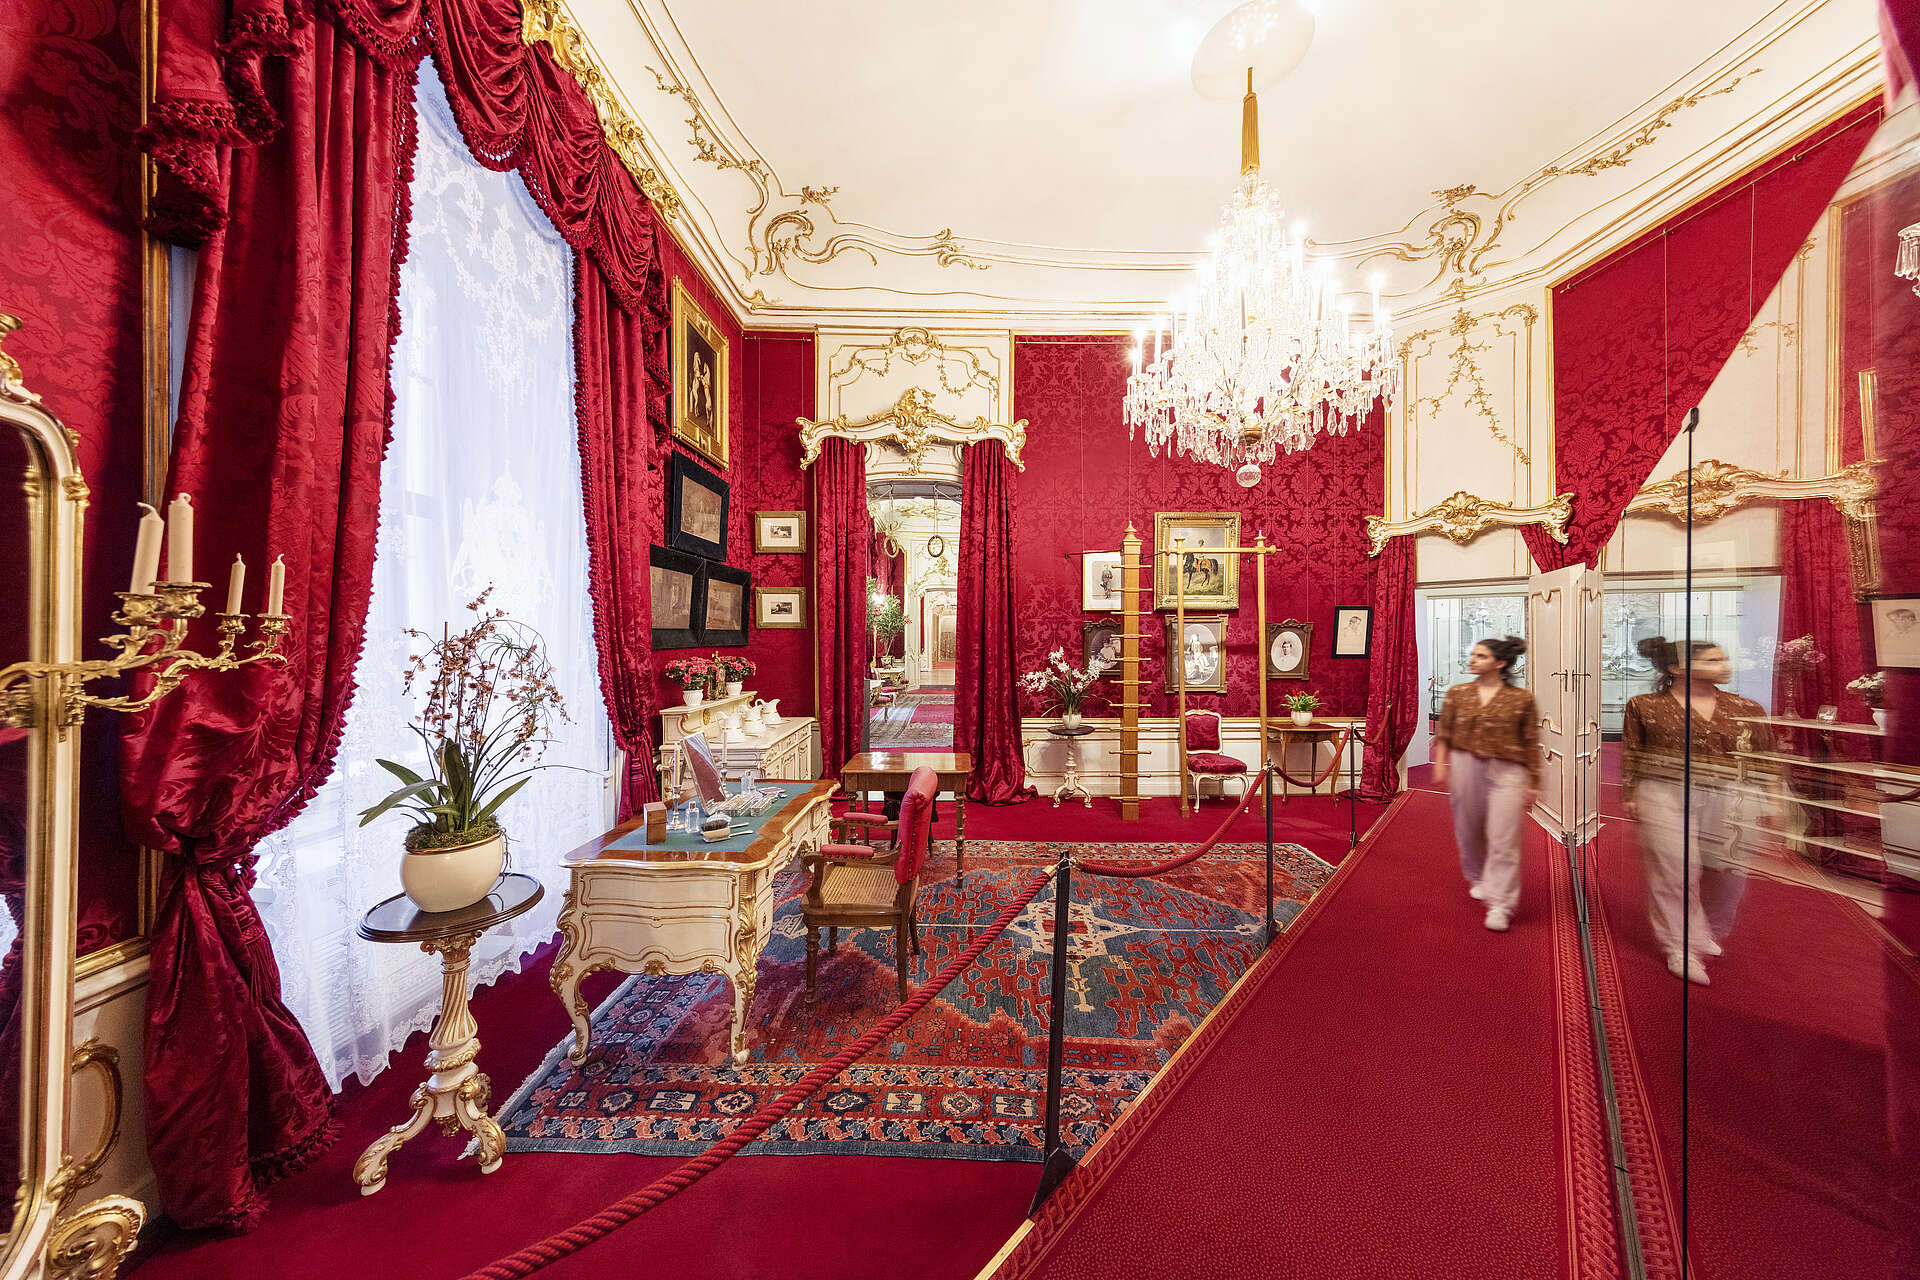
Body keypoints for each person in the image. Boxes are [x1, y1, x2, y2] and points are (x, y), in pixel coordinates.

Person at [1620, 637, 1768, 986]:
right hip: (1662, 790)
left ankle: (1705, 930)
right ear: (1677, 668)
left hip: (1732, 792)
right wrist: (1631, 792)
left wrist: (1771, 798)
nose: (1725, 665)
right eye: (1714, 660)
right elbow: (1633, 751)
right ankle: (1680, 945)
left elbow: (1765, 758)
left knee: (1728, 869)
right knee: (1673, 870)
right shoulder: (1644, 705)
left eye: (1724, 658)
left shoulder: (1747, 708)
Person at [1431, 636, 1541, 932]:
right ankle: (1478, 876)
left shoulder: (1521, 699)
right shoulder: (1458, 693)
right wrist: (1441, 763)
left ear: (1500, 663)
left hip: (1509, 771)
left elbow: (1531, 741)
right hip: (1466, 765)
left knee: (1504, 838)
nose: (1473, 659)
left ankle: (1501, 904)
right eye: (1473, 654)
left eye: (1481, 656)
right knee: (1470, 828)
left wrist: (1533, 780)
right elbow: (1446, 731)